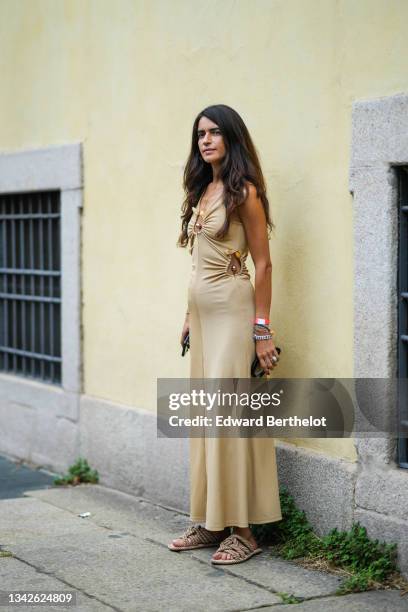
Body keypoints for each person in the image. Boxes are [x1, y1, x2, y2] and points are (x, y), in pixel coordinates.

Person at [169, 104, 282, 565]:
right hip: (204, 317)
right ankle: (212, 520)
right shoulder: (203, 190)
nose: (206, 140)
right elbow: (199, 263)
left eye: (215, 132)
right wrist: (189, 315)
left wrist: (262, 330)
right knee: (206, 419)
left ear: (232, 138)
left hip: (235, 316)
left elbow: (264, 263)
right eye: (200, 134)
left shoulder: (245, 193)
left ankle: (244, 533)